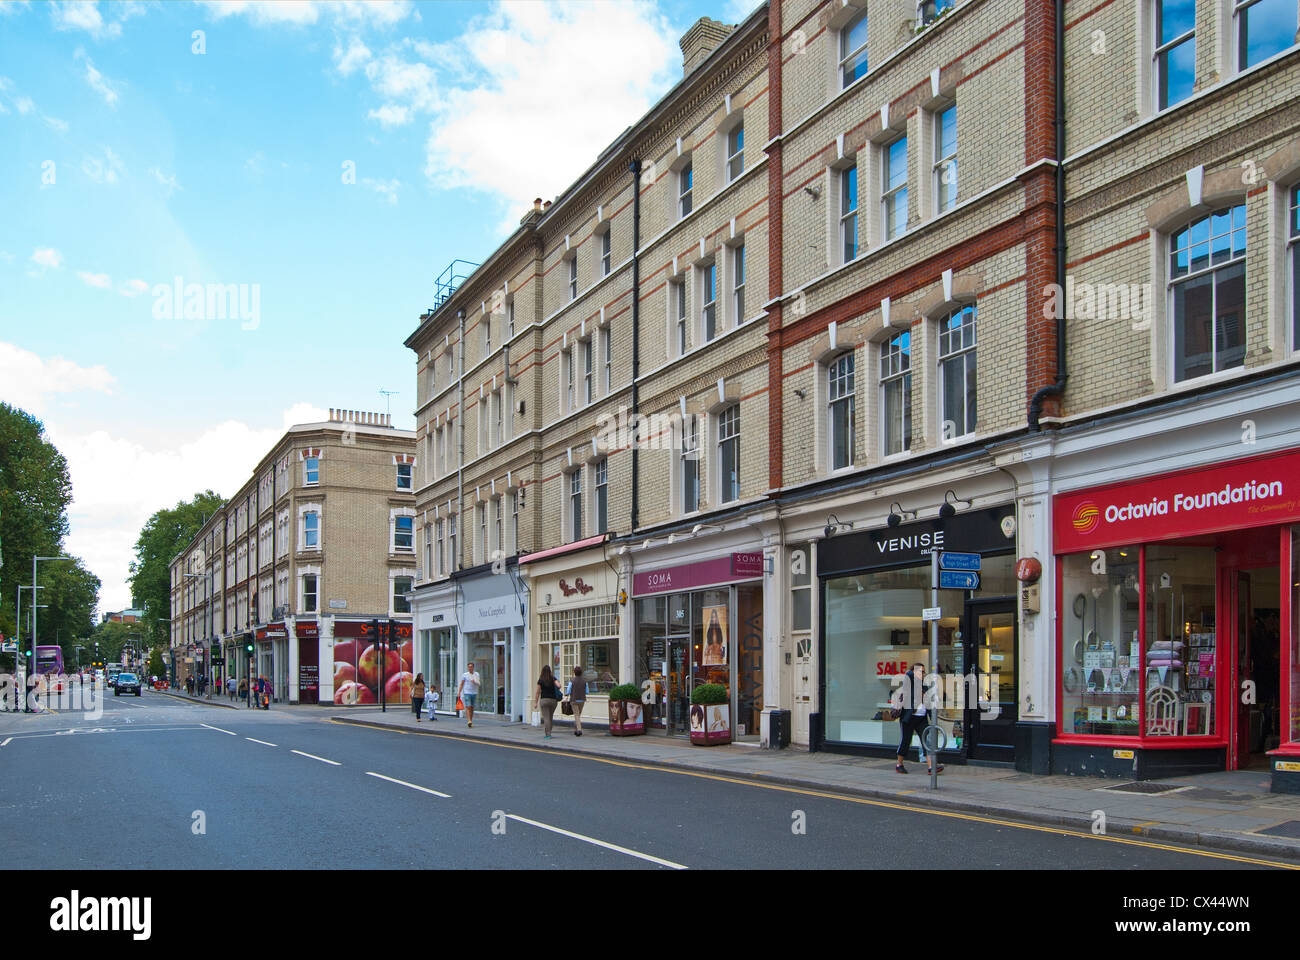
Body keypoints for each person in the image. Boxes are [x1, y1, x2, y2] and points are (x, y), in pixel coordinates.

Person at [894, 662, 942, 775]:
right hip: (909, 717)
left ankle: (931, 767)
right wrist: (914, 672)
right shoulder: (908, 683)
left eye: (924, 671)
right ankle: (899, 764)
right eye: (921, 671)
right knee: (905, 741)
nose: (924, 674)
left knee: (926, 741)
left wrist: (932, 716)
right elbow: (908, 675)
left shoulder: (924, 685)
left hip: (922, 718)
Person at [534, 665, 562, 739]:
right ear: (550, 671)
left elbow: (537, 692)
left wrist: (535, 703)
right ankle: (550, 731)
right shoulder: (553, 678)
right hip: (553, 700)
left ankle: (548, 734)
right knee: (550, 717)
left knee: (546, 717)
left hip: (544, 700)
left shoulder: (541, 680)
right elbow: (559, 686)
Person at [457, 661, 481, 728]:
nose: (470, 668)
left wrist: (475, 682)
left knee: (472, 707)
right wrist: (459, 692)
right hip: (467, 692)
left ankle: (471, 720)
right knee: (468, 706)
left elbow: (479, 683)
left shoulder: (476, 674)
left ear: (473, 667)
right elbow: (462, 684)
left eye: (471, 667)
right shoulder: (465, 675)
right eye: (469, 667)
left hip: (474, 692)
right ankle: (469, 720)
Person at [567, 666, 587, 736]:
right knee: (578, 715)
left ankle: (579, 730)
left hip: (574, 700)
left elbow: (568, 691)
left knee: (576, 715)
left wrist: (567, 694)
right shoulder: (584, 681)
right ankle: (576, 729)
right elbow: (587, 691)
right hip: (582, 700)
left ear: (574, 673)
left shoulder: (572, 681)